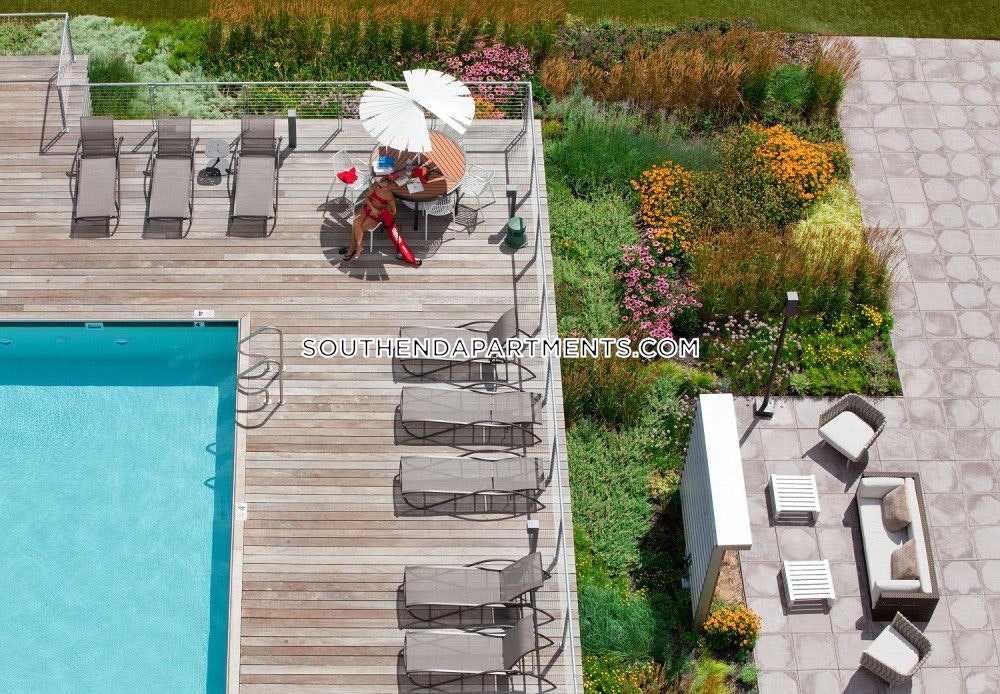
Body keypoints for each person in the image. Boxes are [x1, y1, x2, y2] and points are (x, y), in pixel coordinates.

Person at [341, 177, 396, 262]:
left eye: (381, 187)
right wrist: (372, 207)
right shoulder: (375, 187)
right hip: (367, 208)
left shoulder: (389, 196)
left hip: (376, 215)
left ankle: (351, 249)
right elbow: (367, 197)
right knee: (356, 222)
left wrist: (379, 212)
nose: (378, 187)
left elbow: (393, 212)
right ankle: (359, 247)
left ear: (387, 187)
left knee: (358, 228)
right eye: (378, 185)